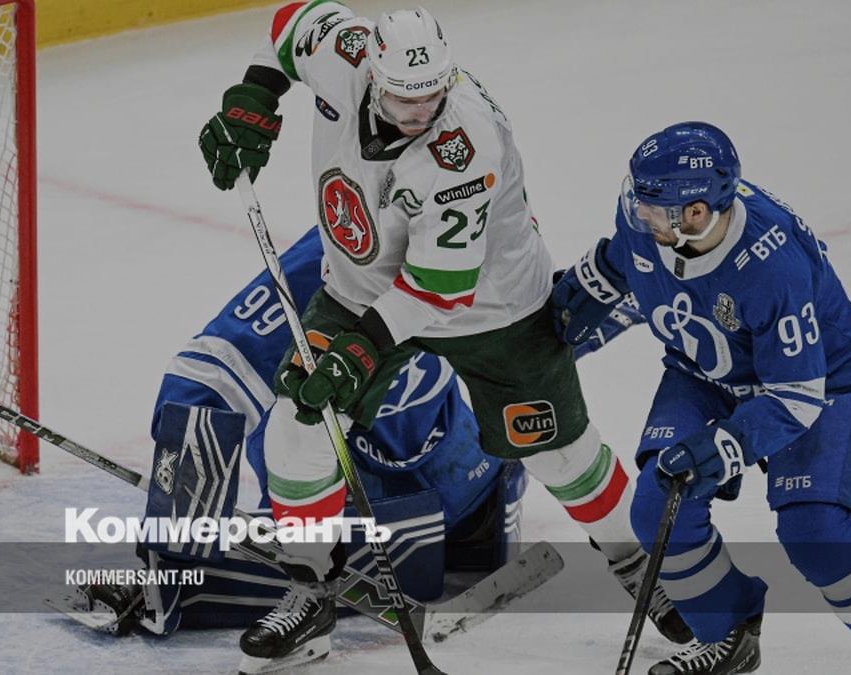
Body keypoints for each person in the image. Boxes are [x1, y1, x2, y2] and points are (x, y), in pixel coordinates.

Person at [197, 4, 689, 671]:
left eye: (432, 95)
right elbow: (288, 25)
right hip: (361, 287)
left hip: (490, 305)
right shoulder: (345, 51)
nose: (420, 112)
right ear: (373, 74)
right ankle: (308, 592)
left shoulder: (465, 143)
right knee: (301, 422)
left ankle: (645, 566)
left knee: (559, 453)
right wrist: (253, 99)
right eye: (405, 99)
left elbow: (438, 288)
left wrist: (358, 352)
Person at [551, 121, 851, 675]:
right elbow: (629, 261)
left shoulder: (772, 265)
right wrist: (580, 299)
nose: (639, 213)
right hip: (705, 370)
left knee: (814, 532)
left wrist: (726, 445)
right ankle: (727, 635)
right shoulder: (649, 215)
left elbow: (796, 395)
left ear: (696, 213)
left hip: (818, 382)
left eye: (653, 209)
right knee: (658, 506)